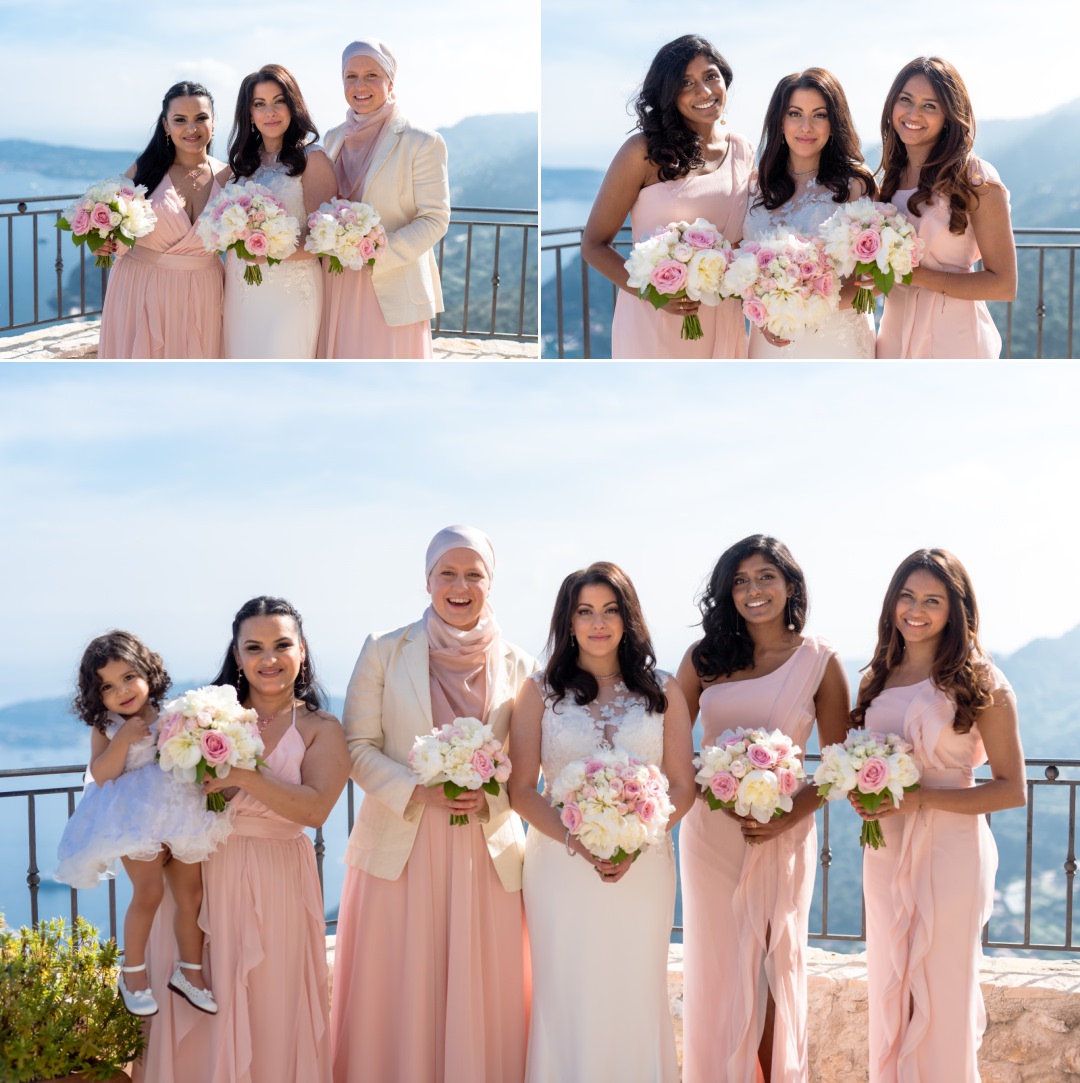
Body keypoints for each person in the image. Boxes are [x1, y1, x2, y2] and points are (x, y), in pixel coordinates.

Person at [330, 526, 533, 1083]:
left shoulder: (520, 663)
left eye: (474, 574)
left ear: (491, 584)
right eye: (448, 572)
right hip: (401, 845)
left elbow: (529, 759)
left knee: (483, 992)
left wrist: (488, 787)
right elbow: (356, 745)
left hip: (485, 851)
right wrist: (417, 789)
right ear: (427, 580)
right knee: (398, 987)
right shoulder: (383, 650)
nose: (460, 585)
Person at [134, 597, 348, 1083]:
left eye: (281, 645)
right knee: (198, 1001)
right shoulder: (203, 717)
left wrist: (247, 776)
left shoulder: (322, 728)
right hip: (197, 878)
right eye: (254, 647)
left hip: (276, 882)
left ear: (303, 651)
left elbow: (314, 810)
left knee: (270, 1001)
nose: (268, 659)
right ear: (237, 654)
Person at [509, 562, 695, 1082]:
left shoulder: (662, 690)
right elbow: (522, 789)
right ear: (568, 622)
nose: (598, 623)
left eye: (610, 610)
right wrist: (579, 840)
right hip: (559, 864)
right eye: (585, 611)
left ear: (628, 618)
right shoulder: (540, 692)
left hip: (645, 864)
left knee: (635, 989)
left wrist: (637, 839)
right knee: (566, 991)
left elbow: (683, 785)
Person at [676, 536, 850, 1083]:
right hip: (710, 833)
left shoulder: (819, 661)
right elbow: (671, 745)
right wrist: (713, 791)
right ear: (728, 593)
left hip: (783, 831)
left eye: (766, 577)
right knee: (719, 968)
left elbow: (841, 762)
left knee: (775, 967)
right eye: (741, 581)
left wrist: (787, 815)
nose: (754, 590)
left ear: (790, 585)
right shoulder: (704, 658)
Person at [851, 550, 1025, 1082]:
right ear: (892, 603)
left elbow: (1011, 789)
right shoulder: (876, 678)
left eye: (933, 600)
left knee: (942, 988)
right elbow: (859, 760)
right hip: (886, 850)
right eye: (907, 596)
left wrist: (920, 799)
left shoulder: (981, 681)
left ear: (956, 609)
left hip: (952, 850)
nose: (916, 610)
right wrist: (861, 793)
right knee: (890, 985)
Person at [56, 631, 230, 1017]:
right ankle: (132, 974)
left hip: (180, 813)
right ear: (96, 695)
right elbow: (101, 774)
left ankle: (191, 972)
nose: (122, 691)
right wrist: (122, 742)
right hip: (134, 820)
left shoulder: (172, 714)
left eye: (129, 677)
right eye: (108, 686)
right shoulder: (107, 725)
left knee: (191, 896)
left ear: (148, 672)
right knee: (149, 893)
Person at [581, 34, 753, 359]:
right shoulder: (641, 152)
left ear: (725, 81)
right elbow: (593, 244)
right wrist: (651, 292)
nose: (703, 91)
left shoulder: (743, 151)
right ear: (668, 93)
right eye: (686, 83)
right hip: (653, 318)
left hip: (722, 313)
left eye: (710, 77)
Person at [875, 57, 1017, 358]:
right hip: (893, 338)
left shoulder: (977, 180)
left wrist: (917, 276)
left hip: (954, 339)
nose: (913, 114)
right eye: (906, 100)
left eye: (930, 105)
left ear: (949, 116)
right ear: (892, 105)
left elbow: (1004, 284)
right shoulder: (890, 178)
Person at [319, 39, 450, 358]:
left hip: (391, 279)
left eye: (371, 75)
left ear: (390, 82)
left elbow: (436, 218)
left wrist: (379, 251)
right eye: (351, 76)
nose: (359, 85)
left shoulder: (422, 141)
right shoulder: (333, 137)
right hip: (334, 281)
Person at [743, 68, 878, 358]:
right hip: (767, 341)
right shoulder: (755, 185)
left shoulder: (856, 185)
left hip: (835, 341)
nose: (806, 126)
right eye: (795, 114)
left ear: (834, 122)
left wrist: (797, 309)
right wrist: (763, 311)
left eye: (819, 115)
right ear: (779, 121)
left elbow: (872, 282)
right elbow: (738, 266)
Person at [97, 82, 225, 358]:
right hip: (142, 290)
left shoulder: (231, 178)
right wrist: (100, 244)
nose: (191, 129)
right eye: (180, 120)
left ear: (213, 122)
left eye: (201, 118)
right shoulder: (145, 171)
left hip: (206, 294)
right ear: (166, 126)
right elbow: (109, 226)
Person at [220, 65, 338, 358]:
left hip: (290, 292)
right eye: (259, 104)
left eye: (278, 101)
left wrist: (269, 250)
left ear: (292, 105)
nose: (270, 112)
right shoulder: (242, 164)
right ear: (249, 113)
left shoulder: (312, 158)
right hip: (239, 288)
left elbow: (323, 238)